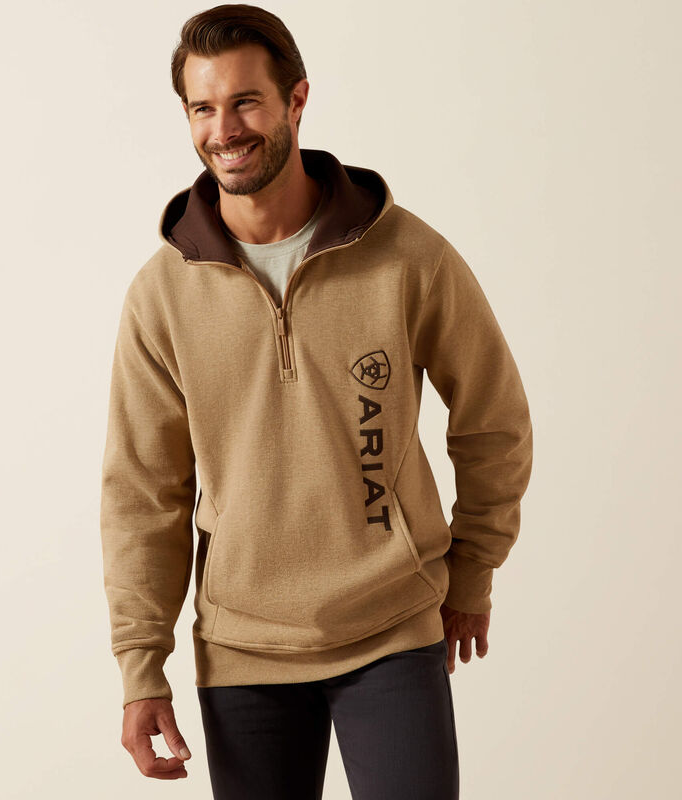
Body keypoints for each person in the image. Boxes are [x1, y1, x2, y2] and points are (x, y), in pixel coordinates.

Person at [99, 4, 533, 798]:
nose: (224, 130)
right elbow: (142, 493)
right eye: (203, 108)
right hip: (243, 649)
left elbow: (493, 418)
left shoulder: (406, 256)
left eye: (246, 102)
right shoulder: (162, 295)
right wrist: (140, 666)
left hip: (392, 627)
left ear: (297, 100)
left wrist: (473, 568)